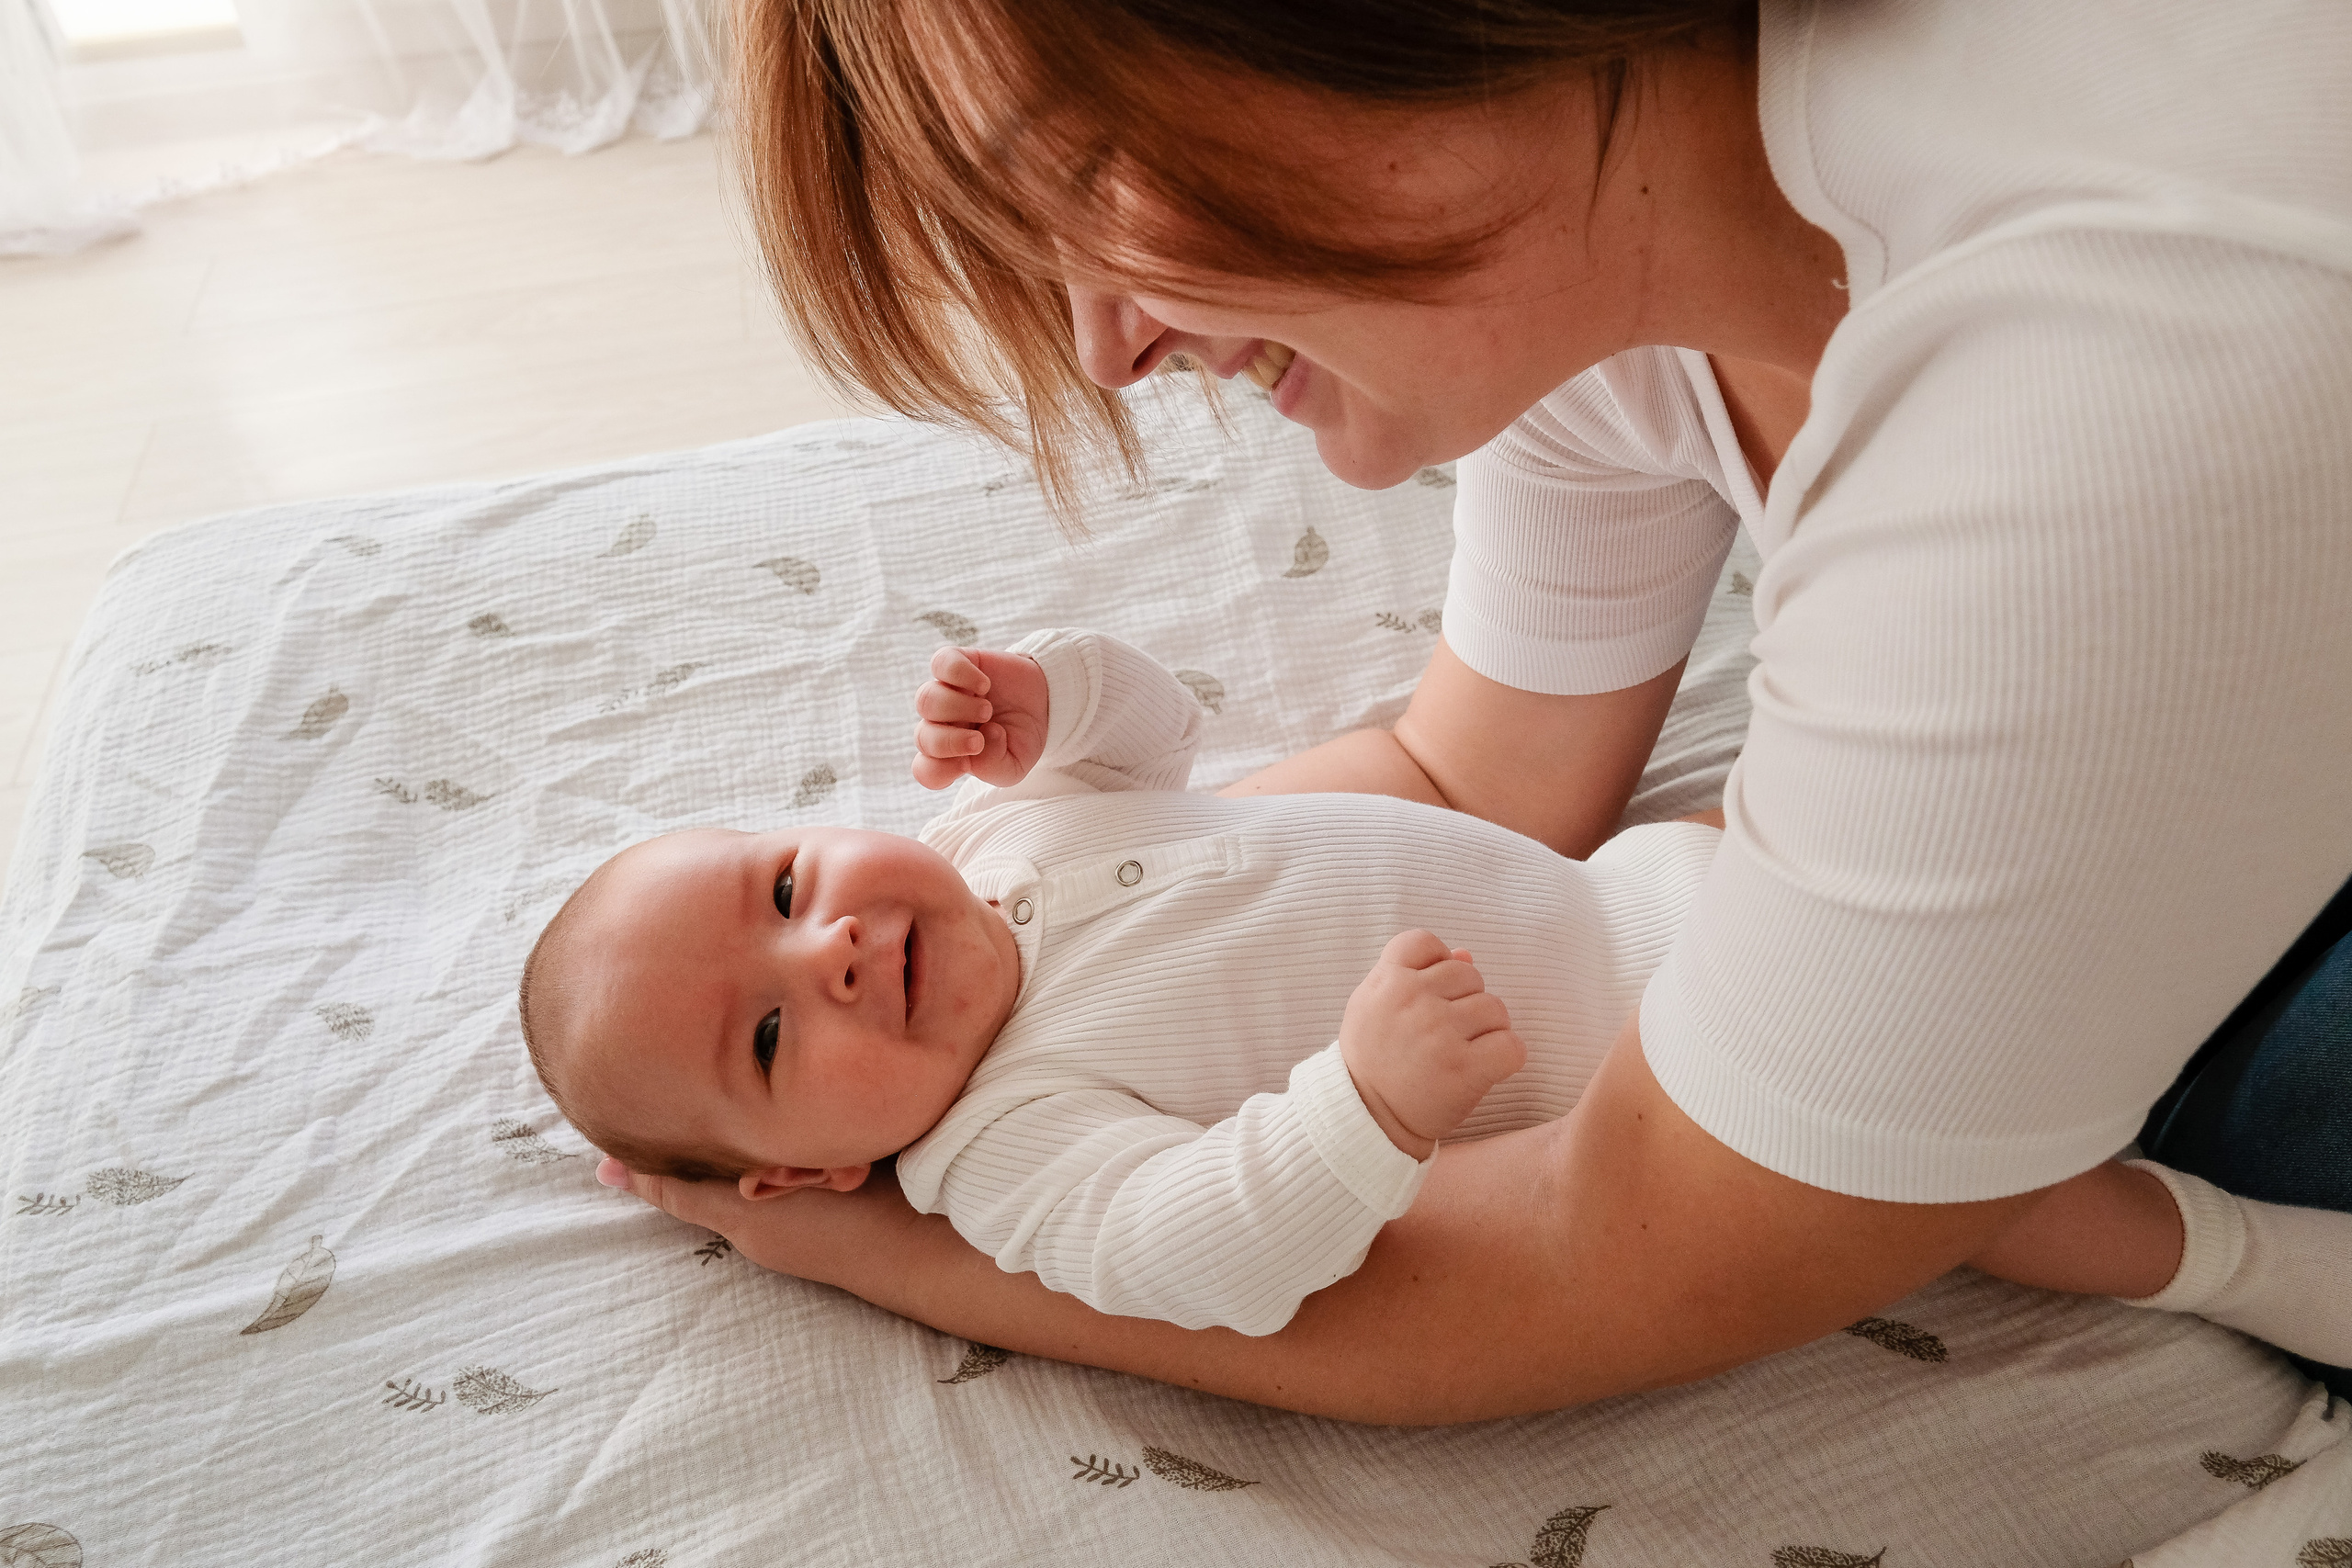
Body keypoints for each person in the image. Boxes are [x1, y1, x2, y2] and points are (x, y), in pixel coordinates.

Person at [602, 0, 2352, 1416]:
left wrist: (889, 1253)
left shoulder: (2084, 430)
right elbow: (1472, 776)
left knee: (2129, 1150)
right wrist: (1104, 939)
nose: (1105, 351)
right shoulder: (1611, 244)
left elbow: (1637, 1252)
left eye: (1087, 181)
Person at [539, 631, 2352, 1366]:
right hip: (1698, 1068)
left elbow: (1158, 748)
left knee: (1949, 812)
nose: (830, 950)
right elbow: (1194, 1252)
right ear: (802, 1174)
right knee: (1965, 1180)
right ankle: (2245, 1262)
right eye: (769, 1035)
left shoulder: (992, 833)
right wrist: (1362, 1108)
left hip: (1649, 888)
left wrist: (1057, 699)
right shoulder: (1000, 1155)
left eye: (786, 886)